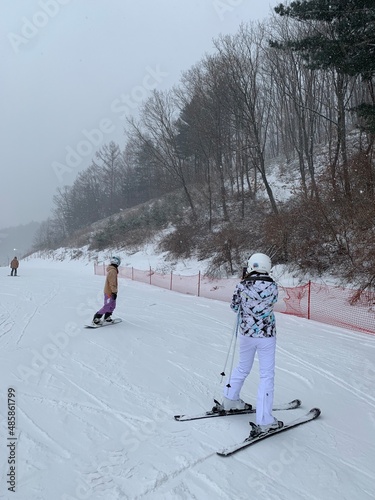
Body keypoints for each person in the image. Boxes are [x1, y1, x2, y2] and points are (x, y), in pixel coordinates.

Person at [221, 252, 283, 436]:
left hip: (247, 334)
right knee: (266, 375)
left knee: (242, 367)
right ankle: (265, 420)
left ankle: (230, 398)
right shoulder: (273, 287)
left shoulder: (242, 285)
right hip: (266, 335)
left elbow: (234, 307)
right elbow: (272, 302)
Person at [92, 256, 121, 325]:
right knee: (107, 306)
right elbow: (112, 283)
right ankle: (96, 318)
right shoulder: (113, 271)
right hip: (109, 292)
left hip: (112, 291)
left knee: (112, 306)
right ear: (117, 262)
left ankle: (107, 317)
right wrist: (114, 292)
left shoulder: (113, 270)